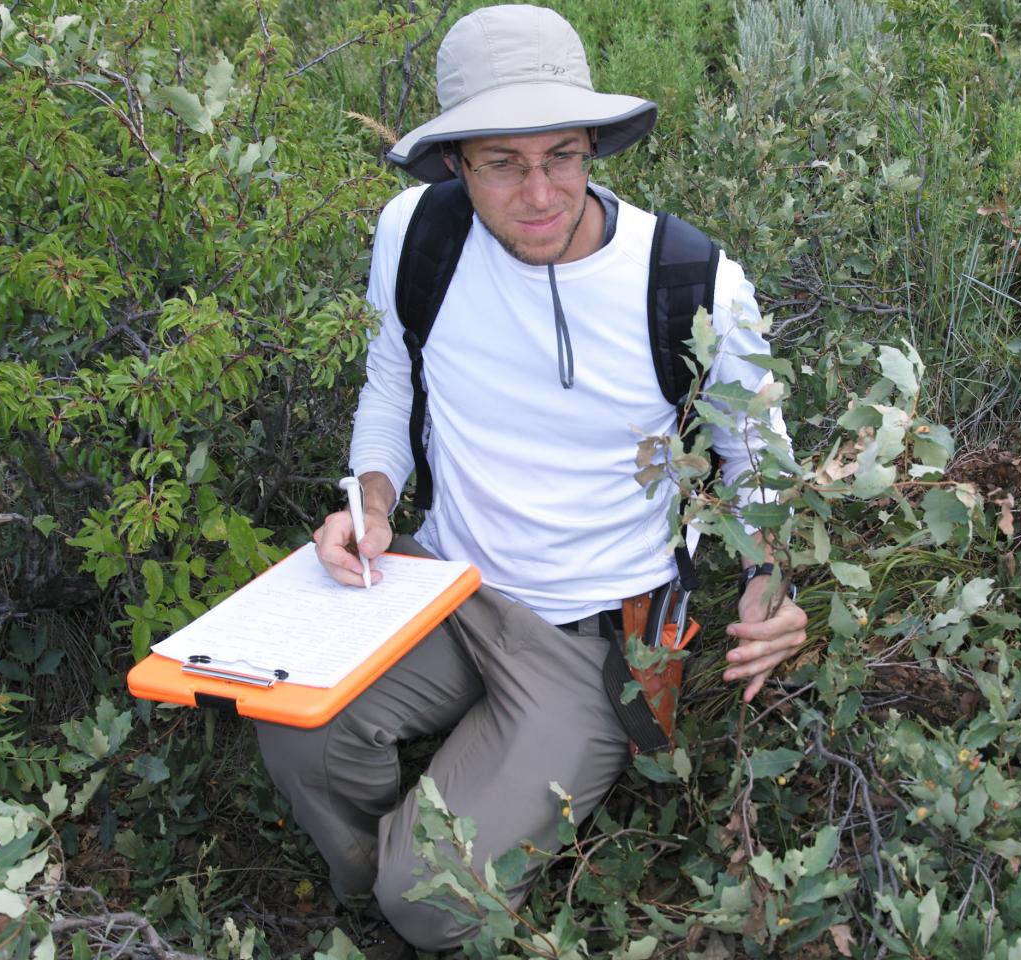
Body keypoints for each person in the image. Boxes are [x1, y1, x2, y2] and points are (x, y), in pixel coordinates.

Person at [255, 4, 805, 951]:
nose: (540, 192)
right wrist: (372, 498)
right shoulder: (416, 234)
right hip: (441, 584)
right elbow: (393, 375)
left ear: (592, 143)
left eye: (562, 154)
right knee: (295, 732)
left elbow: (762, 465)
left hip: (593, 637)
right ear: (455, 163)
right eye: (501, 163)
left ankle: (410, 882)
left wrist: (770, 580)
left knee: (428, 899)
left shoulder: (689, 279)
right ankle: (367, 886)